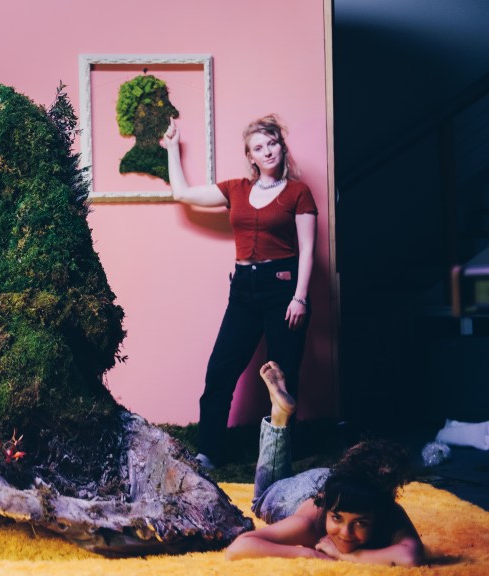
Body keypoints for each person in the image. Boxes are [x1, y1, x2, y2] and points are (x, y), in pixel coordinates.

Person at [161, 115, 318, 468]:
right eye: (259, 148)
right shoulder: (236, 190)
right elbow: (182, 194)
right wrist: (172, 148)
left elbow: (308, 249)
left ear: (282, 147)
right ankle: (209, 452)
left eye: (272, 144)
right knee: (220, 371)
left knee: (282, 378)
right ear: (250, 156)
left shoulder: (298, 193)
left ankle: (279, 456)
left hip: (284, 289)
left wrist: (300, 297)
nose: (268, 152)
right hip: (243, 290)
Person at [225, 361, 424, 566]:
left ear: (378, 517)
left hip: (346, 476)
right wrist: (310, 554)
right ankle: (278, 416)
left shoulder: (382, 505)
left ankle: (280, 415)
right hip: (299, 493)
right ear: (327, 510)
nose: (345, 533)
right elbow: (238, 548)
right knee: (261, 499)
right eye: (337, 518)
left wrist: (345, 556)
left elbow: (411, 557)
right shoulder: (309, 524)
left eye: (360, 523)